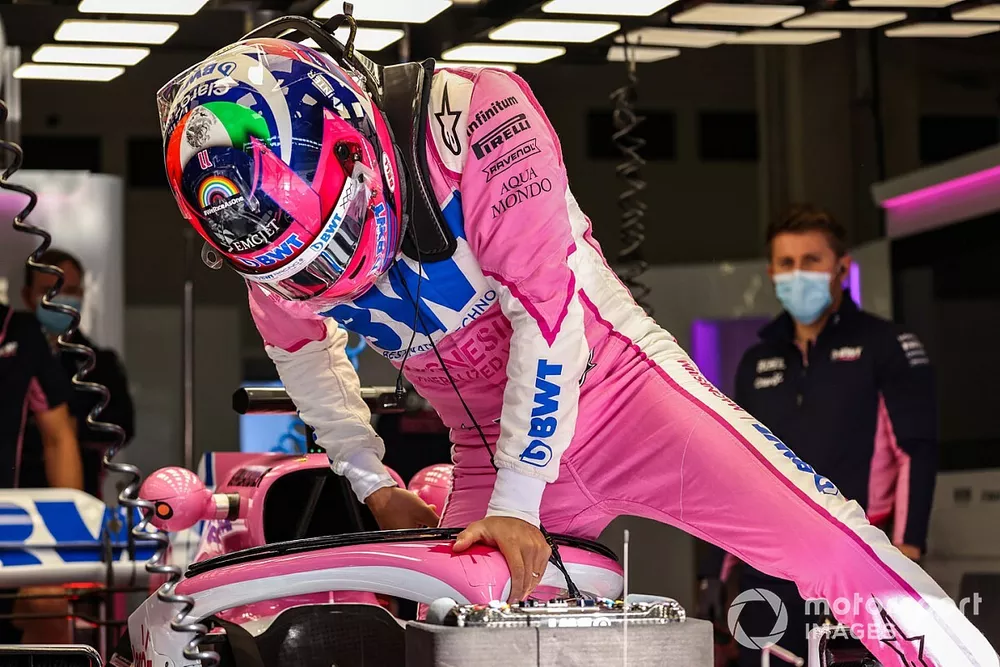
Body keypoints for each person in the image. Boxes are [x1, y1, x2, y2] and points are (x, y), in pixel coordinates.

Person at [157, 32, 997, 666]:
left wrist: (521, 498)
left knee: (835, 553)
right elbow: (303, 357)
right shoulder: (256, 221)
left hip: (626, 395)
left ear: (350, 141)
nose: (330, 274)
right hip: (486, 451)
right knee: (454, 639)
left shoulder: (476, 119)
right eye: (300, 270)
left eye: (334, 244)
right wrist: (374, 486)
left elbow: (548, 319)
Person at [700, 204, 940, 664]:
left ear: (842, 268)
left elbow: (916, 451)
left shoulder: (887, 346)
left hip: (858, 560)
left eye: (812, 260)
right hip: (768, 566)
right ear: (771, 272)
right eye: (787, 263)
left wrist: (906, 552)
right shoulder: (755, 363)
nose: (798, 274)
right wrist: (715, 569)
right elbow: (734, 468)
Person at [22, 248, 136, 499]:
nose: (61, 299)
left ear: (83, 295)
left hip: (81, 500)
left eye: (70, 291)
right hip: (16, 498)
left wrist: (69, 427)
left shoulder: (100, 363)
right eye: (49, 291)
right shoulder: (12, 359)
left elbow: (123, 424)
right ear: (27, 295)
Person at [0, 299, 82, 644]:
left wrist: (73, 539)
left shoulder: (18, 330)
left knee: (47, 598)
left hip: (7, 524)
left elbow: (58, 436)